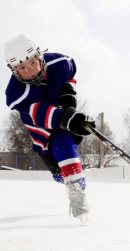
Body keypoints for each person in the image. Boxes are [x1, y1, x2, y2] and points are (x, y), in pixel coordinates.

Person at [4, 34, 95, 223]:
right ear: (14, 70)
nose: (29, 71)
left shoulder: (60, 62)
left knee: (64, 142)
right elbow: (39, 113)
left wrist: (68, 94)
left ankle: (77, 196)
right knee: (59, 175)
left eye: (32, 63)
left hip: (62, 131)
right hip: (42, 136)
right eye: (22, 67)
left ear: (39, 56)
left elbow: (69, 76)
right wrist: (70, 118)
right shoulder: (17, 92)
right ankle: (71, 177)